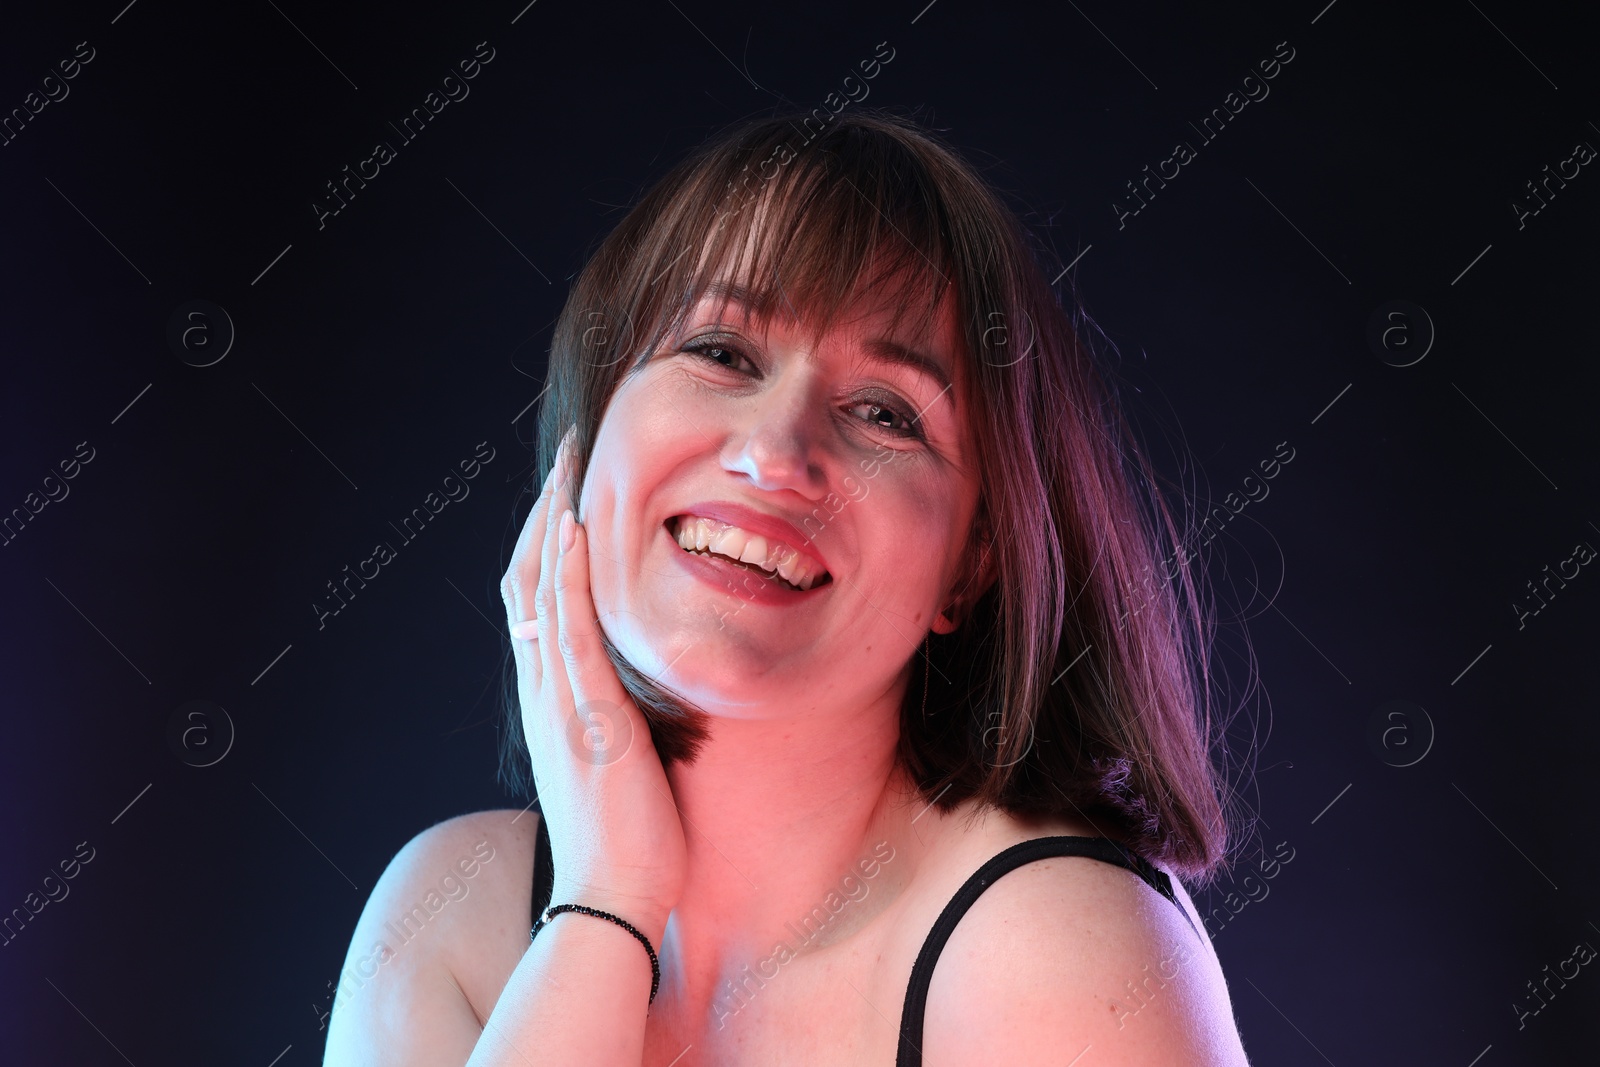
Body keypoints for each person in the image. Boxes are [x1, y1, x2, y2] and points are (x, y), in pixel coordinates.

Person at [323, 109, 1252, 1065]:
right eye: (722, 352)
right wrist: (607, 903)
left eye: (886, 413)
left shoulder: (1064, 949)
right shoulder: (448, 916)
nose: (775, 453)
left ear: (972, 565)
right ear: (593, 433)